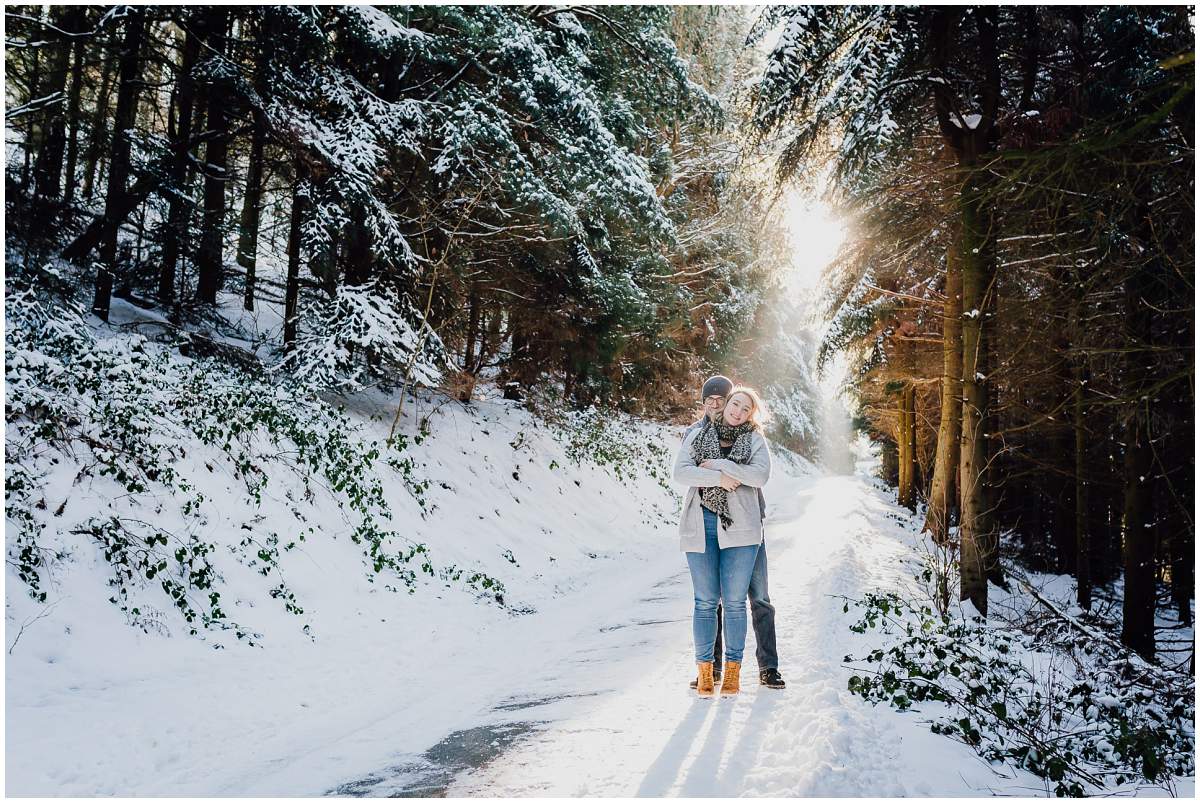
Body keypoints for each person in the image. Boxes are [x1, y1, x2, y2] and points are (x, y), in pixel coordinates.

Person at [683, 376, 786, 691]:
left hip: (748, 523)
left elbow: (759, 475)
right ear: (705, 403)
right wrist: (714, 474)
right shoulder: (697, 433)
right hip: (711, 521)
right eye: (710, 400)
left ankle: (768, 667)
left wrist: (725, 470)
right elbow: (686, 471)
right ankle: (711, 669)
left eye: (721, 399)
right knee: (711, 600)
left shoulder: (751, 435)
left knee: (758, 597)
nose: (716, 404)